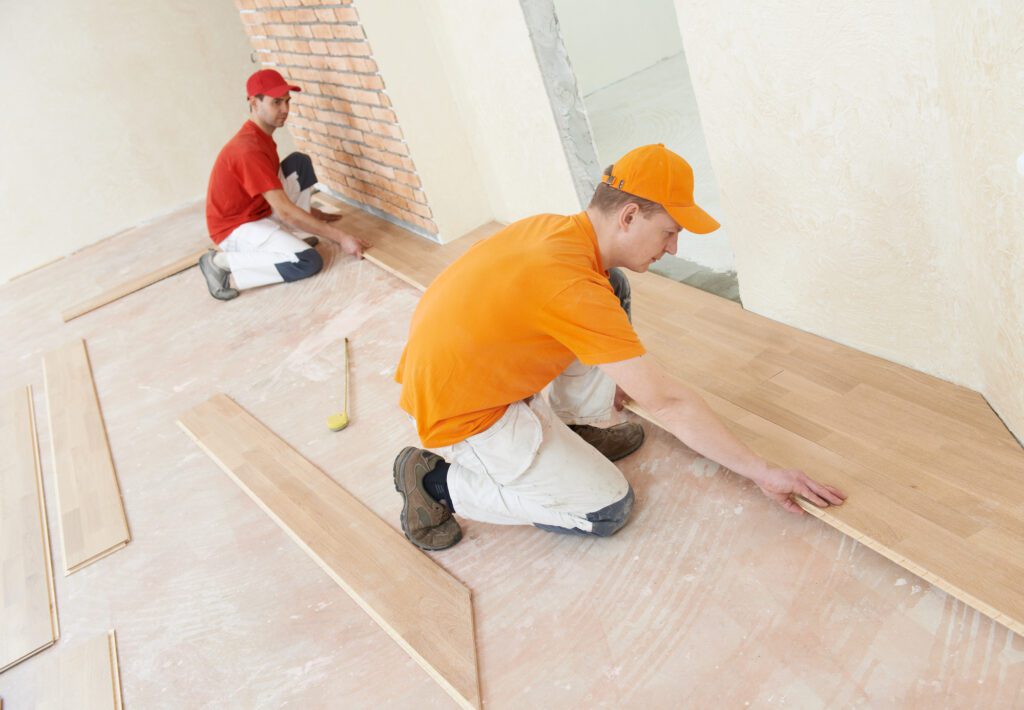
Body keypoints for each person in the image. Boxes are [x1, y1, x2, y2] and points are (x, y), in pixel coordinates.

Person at [391, 144, 846, 550]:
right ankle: (435, 483)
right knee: (606, 509)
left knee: (615, 285)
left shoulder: (558, 233)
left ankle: (580, 424)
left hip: (466, 373)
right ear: (628, 216)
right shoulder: (570, 285)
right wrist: (762, 471)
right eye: (669, 232)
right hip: (465, 416)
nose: (672, 248)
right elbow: (667, 402)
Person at [201, 69, 368, 300]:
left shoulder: (261, 136)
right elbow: (284, 210)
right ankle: (221, 262)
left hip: (257, 211)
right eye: (276, 102)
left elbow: (277, 198)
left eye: (287, 101)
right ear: (253, 102)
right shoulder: (247, 149)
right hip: (236, 228)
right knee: (307, 261)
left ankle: (292, 237)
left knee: (299, 164)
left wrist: (311, 215)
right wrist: (340, 237)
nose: (285, 109)